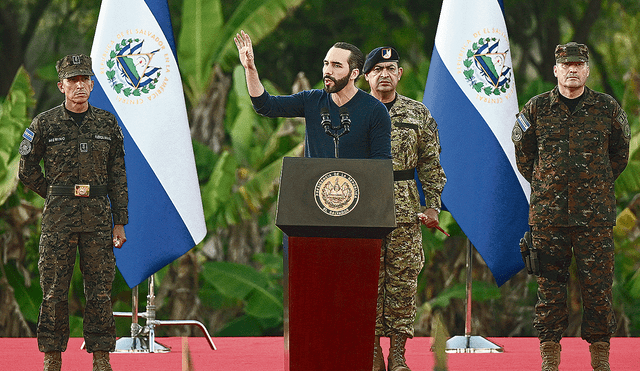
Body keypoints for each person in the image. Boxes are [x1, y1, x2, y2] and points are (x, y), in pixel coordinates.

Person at [512, 42, 630, 371]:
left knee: (598, 288)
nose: (572, 70)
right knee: (549, 290)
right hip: (549, 216)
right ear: (555, 70)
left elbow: (619, 154)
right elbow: (525, 158)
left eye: (578, 64)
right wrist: (549, 183)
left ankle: (600, 358)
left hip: (595, 217)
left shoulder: (607, 108)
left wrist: (594, 184)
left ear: (587, 70)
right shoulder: (536, 109)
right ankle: (550, 358)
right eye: (566, 65)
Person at [18, 54, 128, 371]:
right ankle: (52, 357)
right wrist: (54, 193)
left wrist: (120, 221)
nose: (79, 86)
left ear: (92, 84)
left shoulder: (107, 123)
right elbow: (26, 170)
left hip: (97, 218)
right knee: (54, 290)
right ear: (61, 85)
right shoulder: (44, 123)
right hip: (58, 220)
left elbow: (118, 174)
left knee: (100, 291)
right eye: (73, 80)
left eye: (84, 80)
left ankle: (101, 357)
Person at [363, 46, 446, 371]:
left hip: (405, 208)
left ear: (399, 74)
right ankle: (372, 353)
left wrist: (434, 207)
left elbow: (430, 164)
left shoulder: (418, 113)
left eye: (391, 68)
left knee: (402, 282)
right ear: (366, 75)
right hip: (361, 207)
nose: (385, 74)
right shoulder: (353, 112)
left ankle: (398, 356)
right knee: (366, 281)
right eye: (378, 69)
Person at [234, 30, 392, 159]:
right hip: (315, 193)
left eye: (337, 66)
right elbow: (265, 105)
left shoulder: (374, 110)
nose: (328, 71)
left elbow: (380, 165)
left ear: (353, 73)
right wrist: (250, 69)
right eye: (326, 64)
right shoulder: (311, 100)